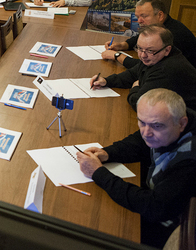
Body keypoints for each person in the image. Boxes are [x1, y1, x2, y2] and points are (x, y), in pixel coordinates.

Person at [77, 89, 196, 248]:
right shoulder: (175, 119)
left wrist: (98, 173)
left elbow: (155, 207)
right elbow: (140, 141)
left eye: (156, 126)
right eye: (142, 122)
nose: (146, 132)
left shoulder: (190, 161)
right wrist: (108, 153)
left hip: (170, 226)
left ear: (182, 123)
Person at [90, 25, 196, 111]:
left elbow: (140, 104)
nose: (142, 55)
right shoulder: (155, 57)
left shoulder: (167, 70)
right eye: (139, 48)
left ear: (167, 50)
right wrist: (107, 81)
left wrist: (135, 88)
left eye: (150, 50)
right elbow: (133, 73)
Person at [102, 0, 196, 69]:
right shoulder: (159, 27)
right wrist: (122, 45)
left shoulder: (173, 35)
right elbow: (141, 37)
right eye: (138, 17)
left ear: (160, 15)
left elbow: (147, 66)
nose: (139, 21)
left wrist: (117, 56)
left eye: (144, 16)